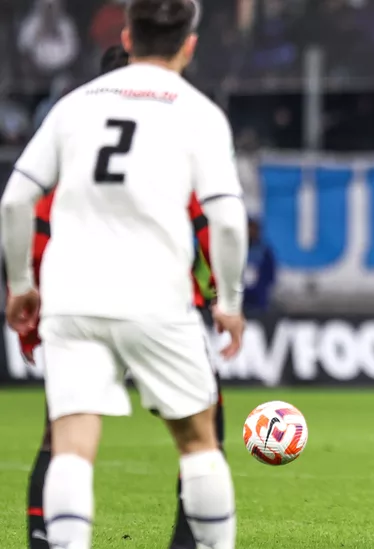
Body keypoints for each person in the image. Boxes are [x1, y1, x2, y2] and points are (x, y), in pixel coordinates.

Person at [0, 2, 248, 549]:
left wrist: (20, 286)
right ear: (189, 45)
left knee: (71, 445)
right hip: (157, 295)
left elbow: (15, 200)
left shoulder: (73, 106)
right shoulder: (199, 113)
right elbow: (228, 221)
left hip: (71, 296)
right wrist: (229, 302)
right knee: (199, 443)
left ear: (128, 36)